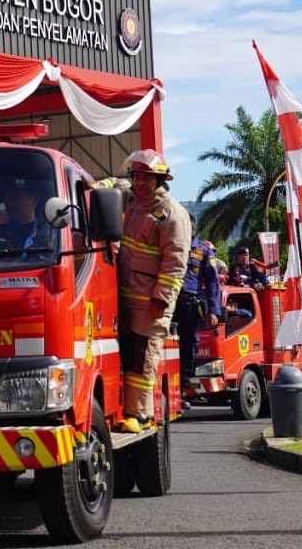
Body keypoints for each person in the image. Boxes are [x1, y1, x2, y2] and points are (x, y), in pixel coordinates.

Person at [98, 149, 191, 433]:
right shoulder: (130, 198)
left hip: (149, 302)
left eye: (147, 178)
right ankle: (121, 409)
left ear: (160, 179)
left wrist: (161, 301)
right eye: (137, 176)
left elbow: (175, 263)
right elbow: (112, 185)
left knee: (143, 354)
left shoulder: (172, 214)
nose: (140, 183)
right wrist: (94, 185)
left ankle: (139, 415)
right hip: (121, 295)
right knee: (123, 352)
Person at [176, 217, 221, 387]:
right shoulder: (168, 242)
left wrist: (214, 311)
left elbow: (212, 282)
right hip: (167, 299)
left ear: (193, 229)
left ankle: (184, 384)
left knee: (189, 343)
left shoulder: (203, 250)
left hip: (189, 303)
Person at [0, 178, 53, 250]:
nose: (9, 202)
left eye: (15, 197)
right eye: (6, 197)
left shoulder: (50, 233)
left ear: (34, 200)